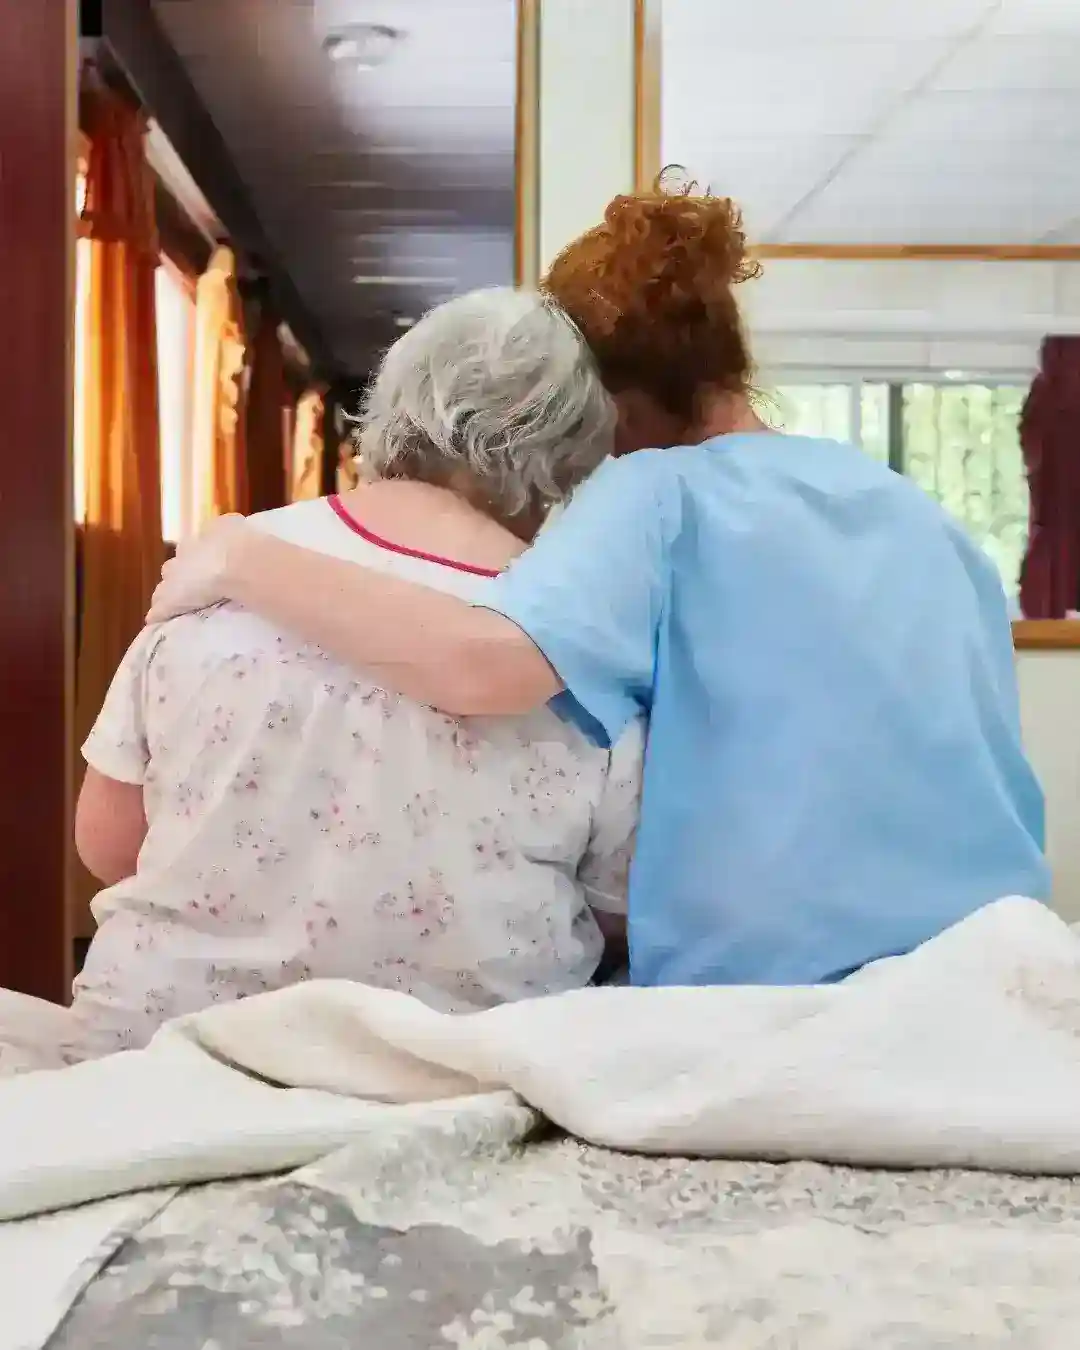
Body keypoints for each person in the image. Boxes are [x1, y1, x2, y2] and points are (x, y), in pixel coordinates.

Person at [148, 178, 1050, 990]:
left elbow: (479, 667)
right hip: (985, 965)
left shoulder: (656, 493)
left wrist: (242, 555)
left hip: (771, 991)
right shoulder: (917, 514)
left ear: (607, 407)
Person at [43, 287, 641, 1068]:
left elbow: (110, 844)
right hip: (452, 1072)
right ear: (570, 462)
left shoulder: (212, 570)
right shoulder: (579, 639)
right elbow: (618, 908)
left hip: (161, 1052)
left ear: (390, 406)